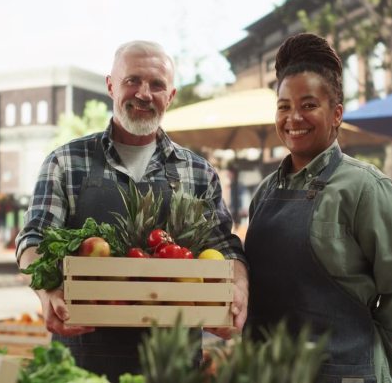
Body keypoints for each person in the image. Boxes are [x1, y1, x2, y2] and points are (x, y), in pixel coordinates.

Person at [15, 40, 248, 381]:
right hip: (82, 360)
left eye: (156, 85)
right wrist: (46, 292)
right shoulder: (65, 162)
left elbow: (225, 247)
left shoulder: (198, 172)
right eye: (132, 80)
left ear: (170, 96)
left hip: (173, 362)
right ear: (111, 85)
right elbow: (33, 238)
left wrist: (237, 290)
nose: (143, 93)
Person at [244, 33, 392, 383]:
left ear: (337, 113)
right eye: (284, 106)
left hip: (343, 371)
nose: (294, 117)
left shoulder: (365, 187)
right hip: (269, 371)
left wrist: (365, 340)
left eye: (309, 105)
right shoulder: (266, 191)